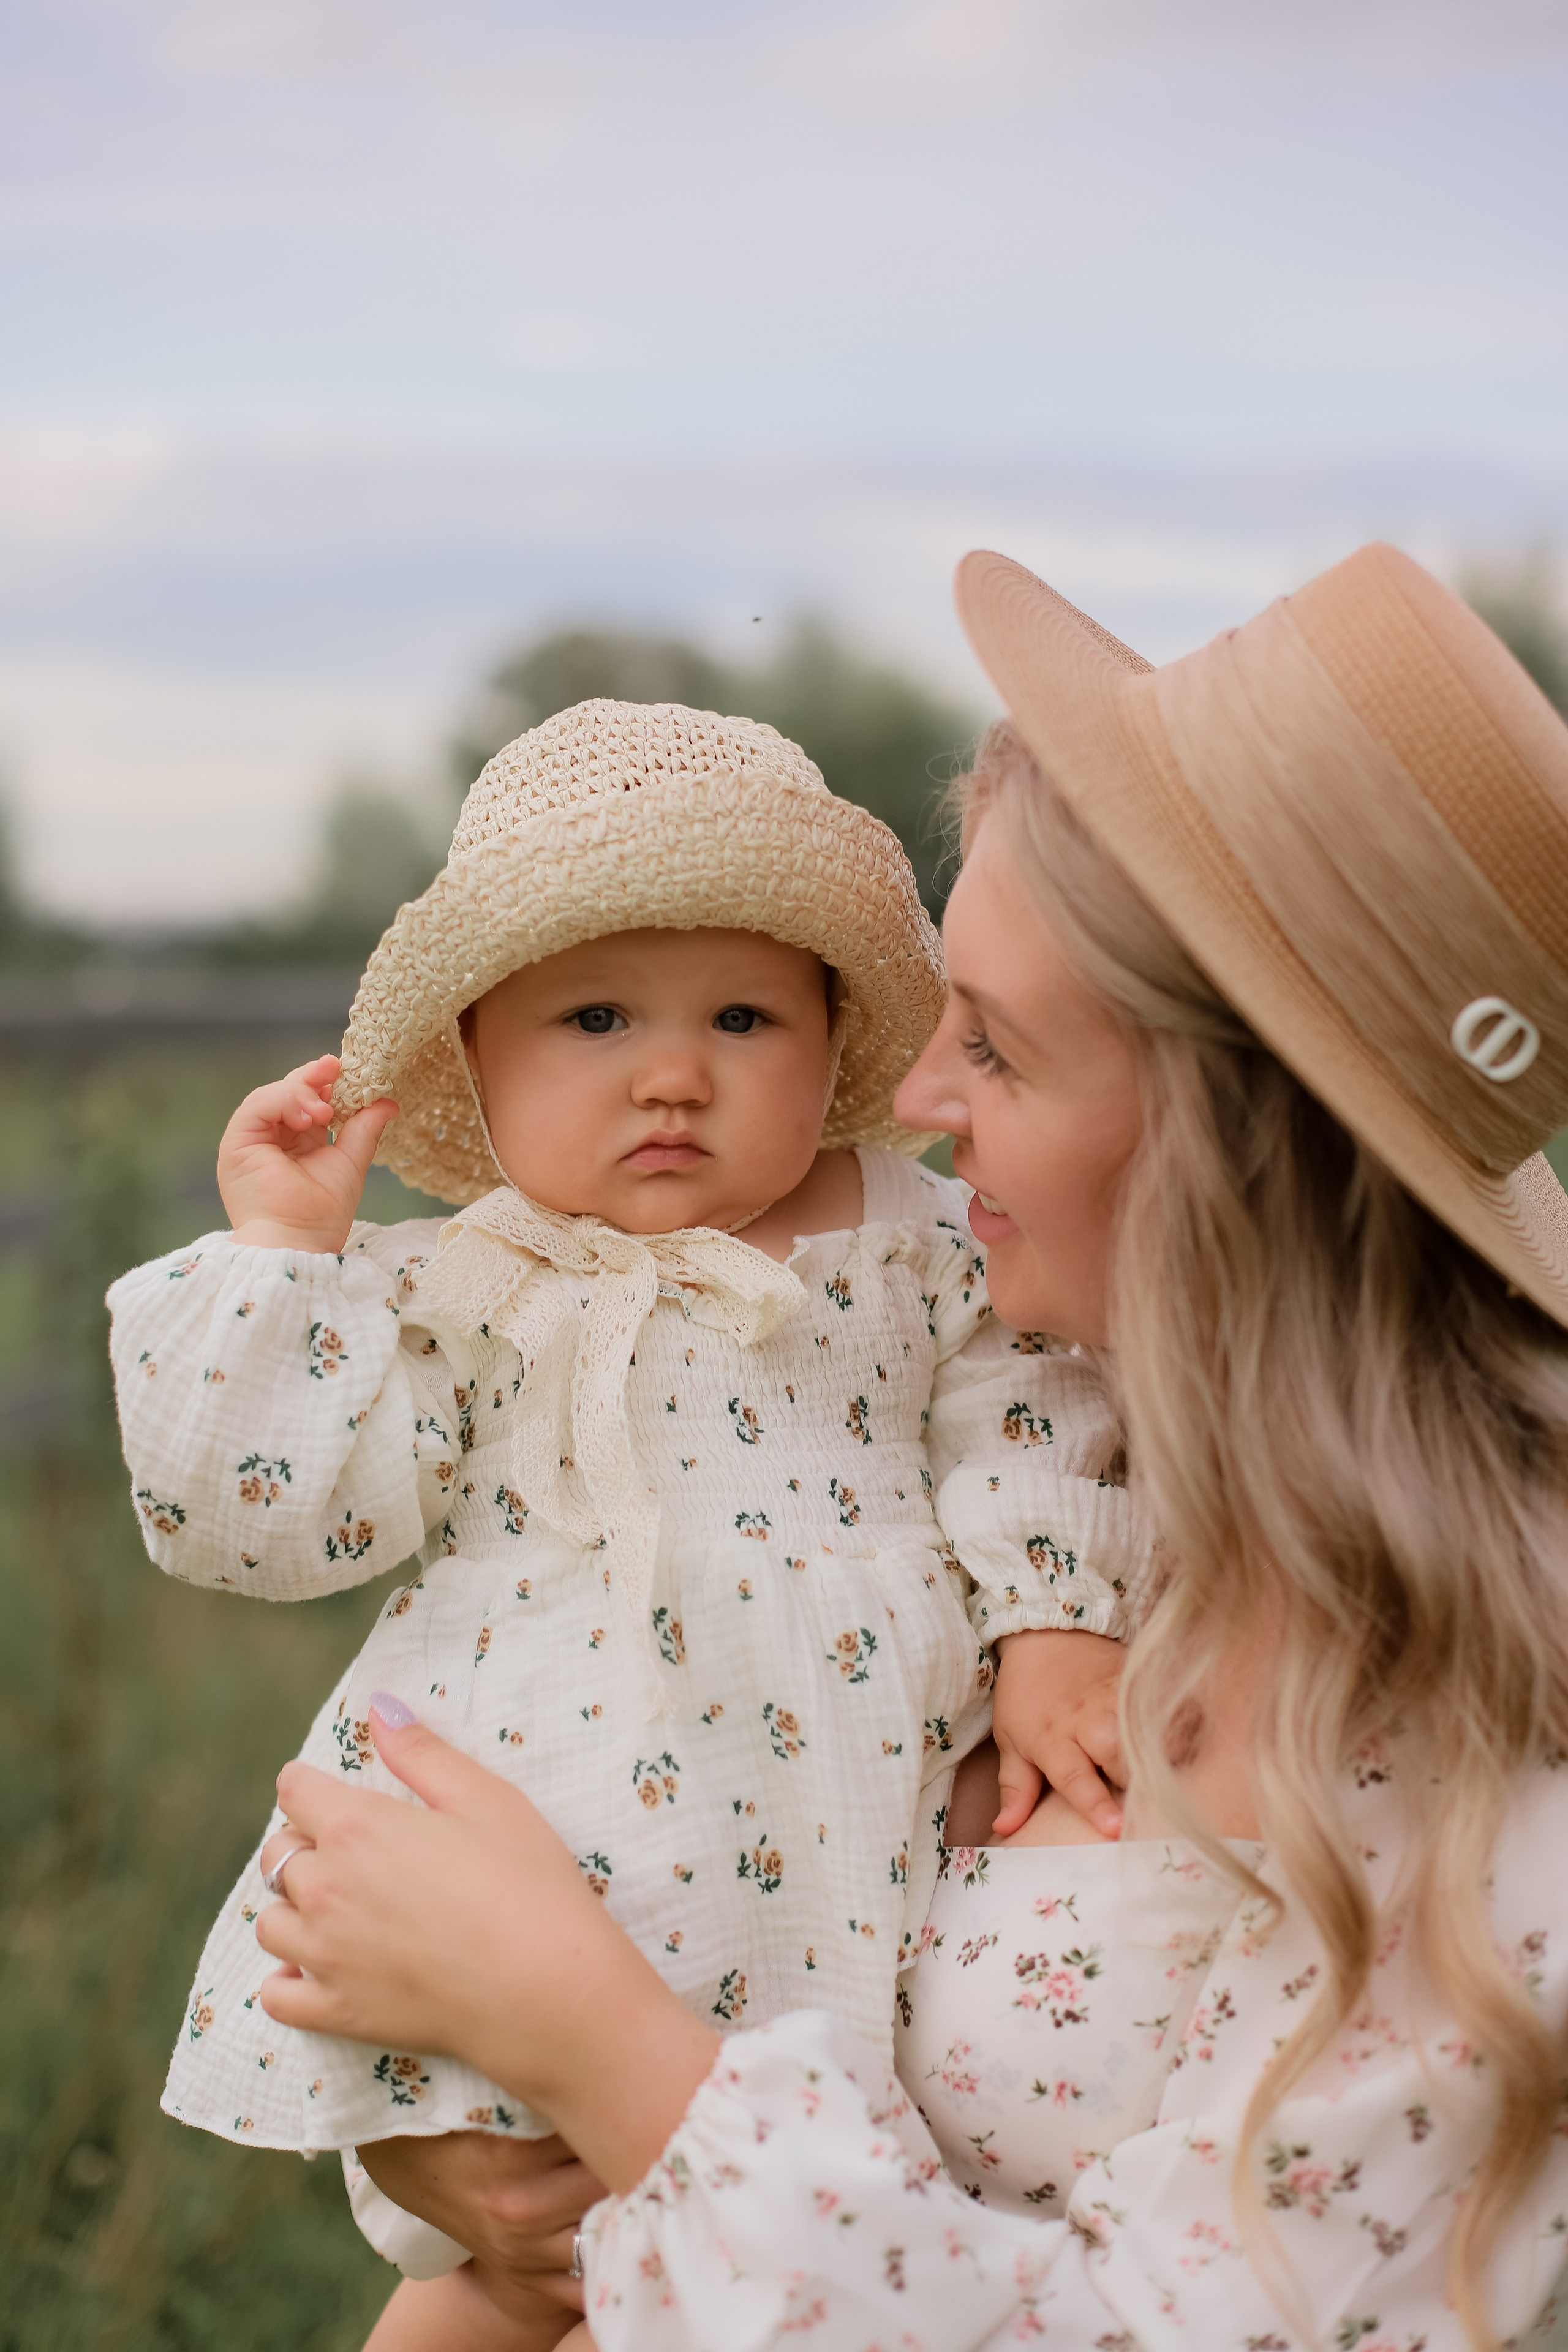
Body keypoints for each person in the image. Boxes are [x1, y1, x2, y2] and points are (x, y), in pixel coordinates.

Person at [249, 543, 1568, 2349]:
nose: (918, 1104)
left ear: (1223, 1143)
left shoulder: (1491, 1783)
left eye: (1000, 1052)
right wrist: (474, 2138)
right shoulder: (1055, 1499)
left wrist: (595, 2042)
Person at [107, 699, 1150, 2350]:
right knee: (501, 2288)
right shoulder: (474, 1281)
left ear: (834, 1039)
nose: (674, 1073)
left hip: (836, 1831)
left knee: (778, 2229)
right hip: (553, 1862)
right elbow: (263, 1520)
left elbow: (1031, 1403)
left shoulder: (920, 1241)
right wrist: (282, 1266)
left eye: (743, 1016)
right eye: (594, 1017)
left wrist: (1053, 1618)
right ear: (476, 1054)